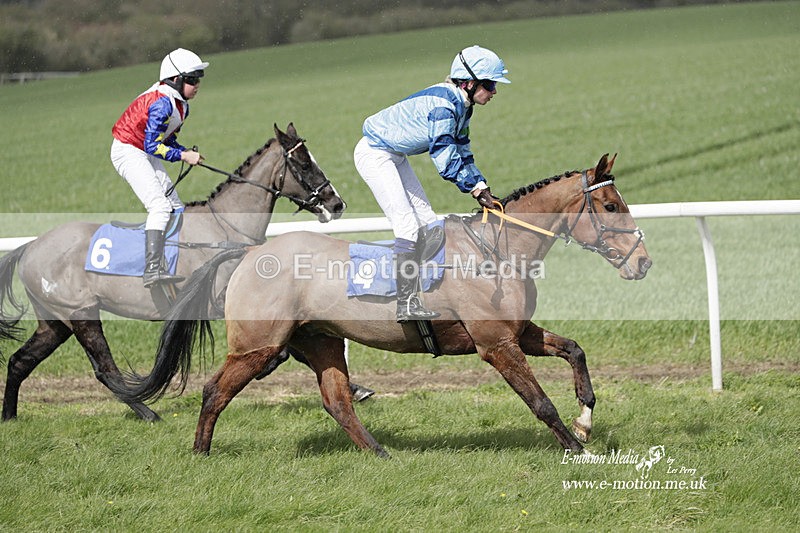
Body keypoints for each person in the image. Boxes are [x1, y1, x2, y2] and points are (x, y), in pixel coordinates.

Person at [354, 45, 510, 322]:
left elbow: (462, 149)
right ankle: (405, 303)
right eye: (490, 84)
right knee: (408, 226)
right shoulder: (443, 107)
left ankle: (422, 286)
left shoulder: (463, 106)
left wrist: (483, 186)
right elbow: (444, 158)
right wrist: (474, 190)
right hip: (375, 154)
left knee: (431, 226)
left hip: (395, 155)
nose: (494, 91)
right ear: (470, 82)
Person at [110, 48, 208, 287]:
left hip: (143, 149)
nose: (197, 85)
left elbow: (166, 140)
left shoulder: (181, 105)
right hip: (128, 150)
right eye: (192, 79)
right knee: (160, 206)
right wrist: (184, 156)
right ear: (176, 80)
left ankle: (175, 257)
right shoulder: (162, 103)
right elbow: (153, 146)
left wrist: (185, 151)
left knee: (176, 206)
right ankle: (152, 269)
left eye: (198, 79)